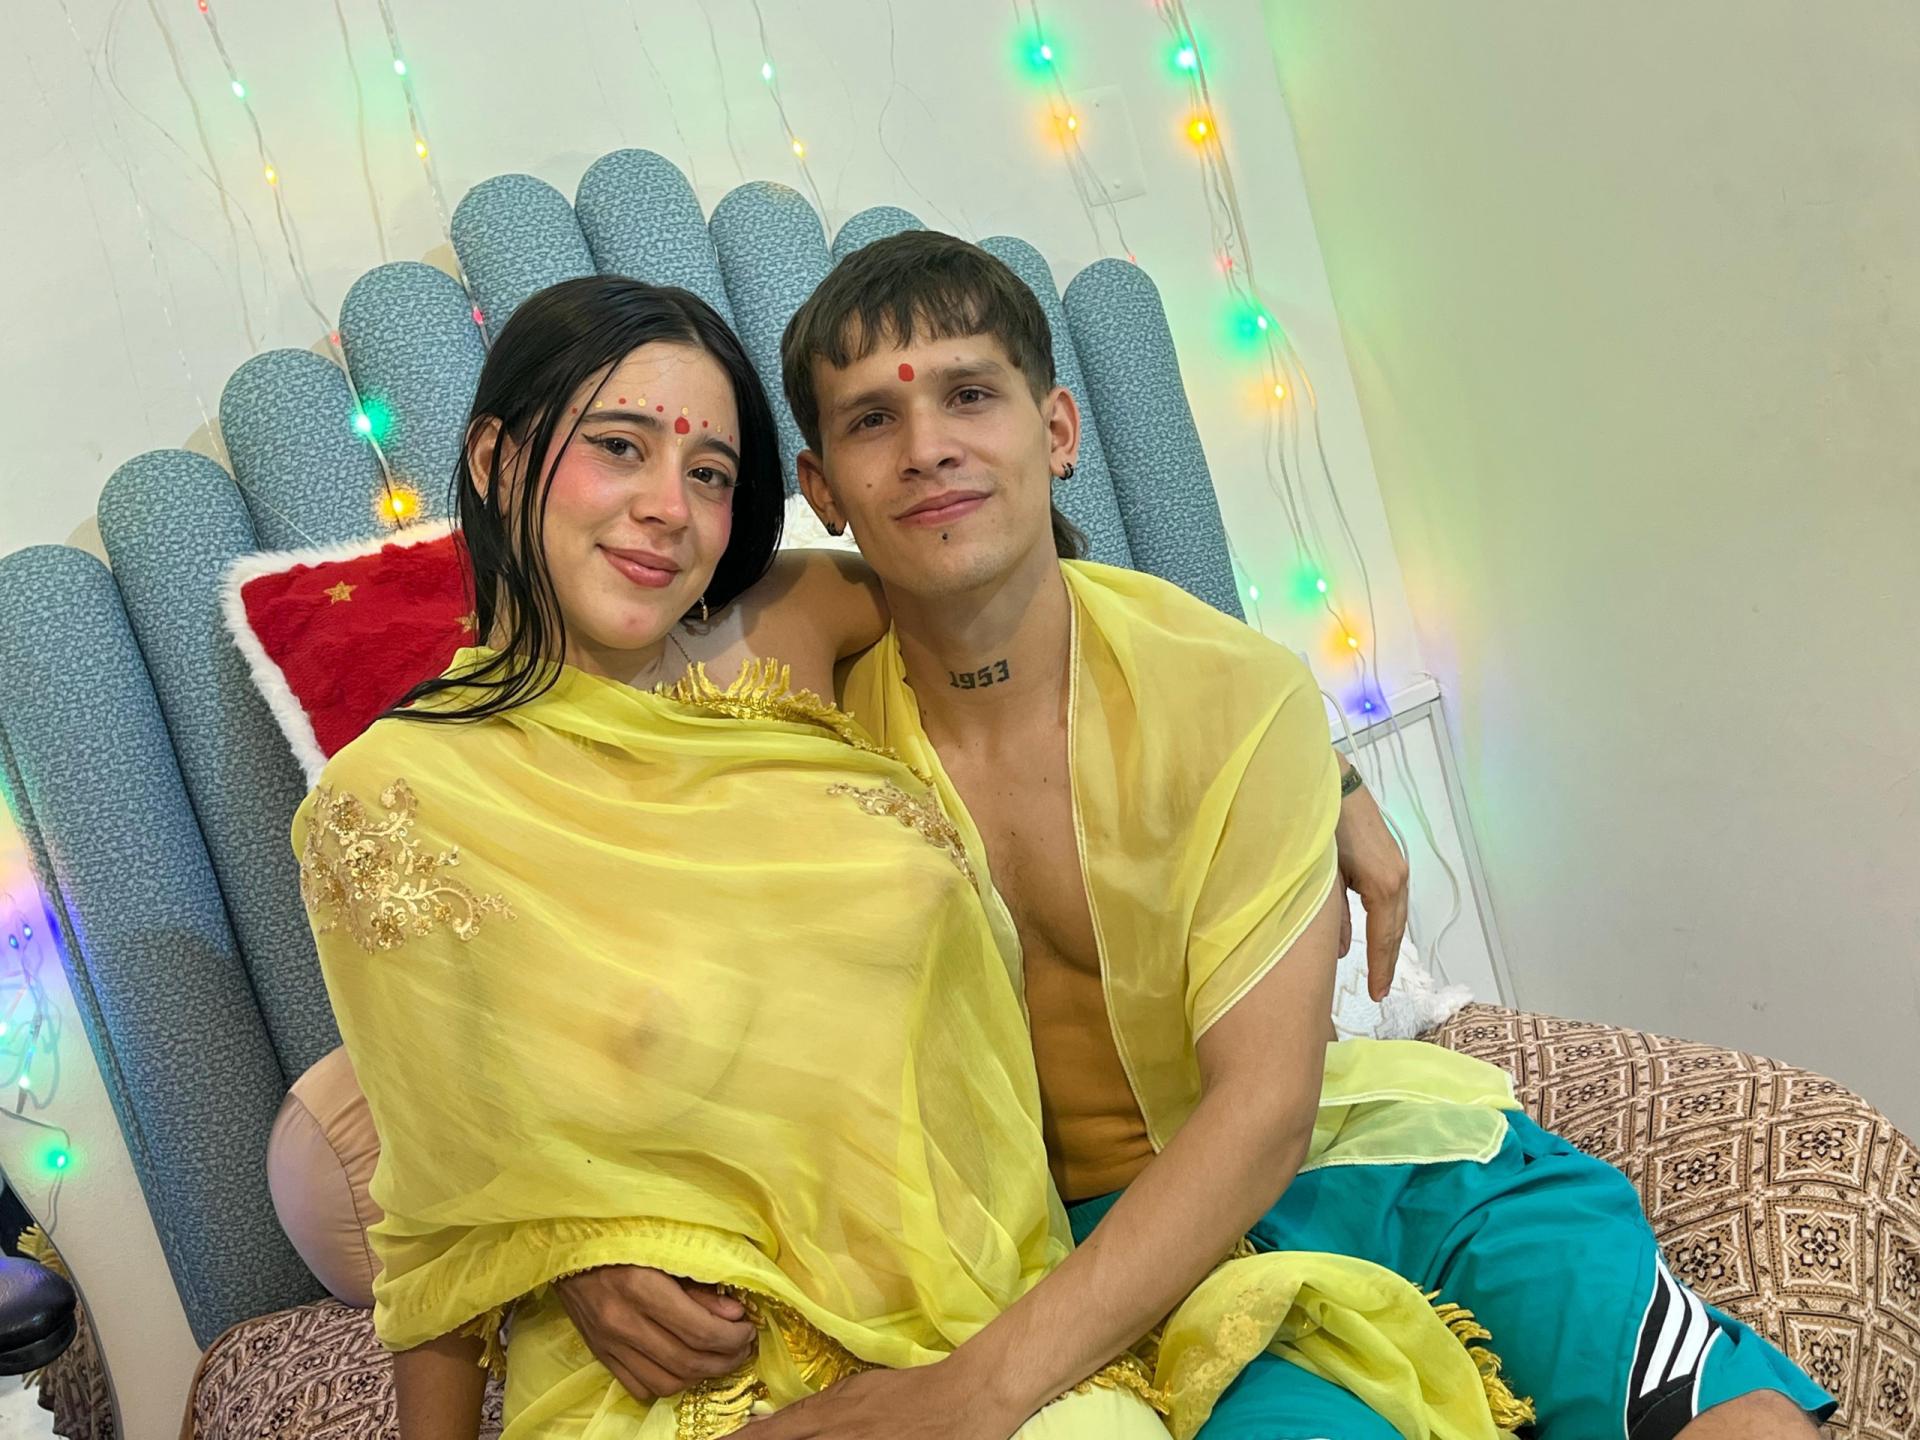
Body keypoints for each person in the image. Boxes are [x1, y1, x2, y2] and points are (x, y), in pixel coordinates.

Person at [563, 235, 1837, 1440]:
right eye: (872, 422)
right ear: (824, 491)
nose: (929, 447)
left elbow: (1267, 1109)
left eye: (971, 396)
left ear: (1058, 431)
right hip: (1082, 1255)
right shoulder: (791, 717)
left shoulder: (1231, 694)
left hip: (1357, 1160)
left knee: (1739, 1421)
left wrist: (973, 1395)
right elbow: (553, 948)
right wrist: (578, 1236)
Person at [293, 276, 1171, 1440]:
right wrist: (570, 1244)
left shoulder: (790, 641)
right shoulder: (394, 804)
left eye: (709, 473)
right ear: (498, 460)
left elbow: (1034, 593)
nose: (670, 507)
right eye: (620, 446)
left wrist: (1316, 770)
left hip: (990, 1331)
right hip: (694, 1394)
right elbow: (439, 1209)